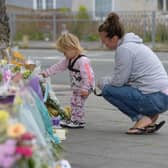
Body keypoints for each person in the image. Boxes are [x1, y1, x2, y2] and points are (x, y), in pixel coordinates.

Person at [97, 12, 168, 134]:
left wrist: (102, 82)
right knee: (114, 86)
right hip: (162, 97)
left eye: (104, 41)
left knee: (107, 90)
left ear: (114, 38)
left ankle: (143, 118)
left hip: (155, 98)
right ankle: (150, 117)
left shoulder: (124, 49)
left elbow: (118, 82)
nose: (103, 44)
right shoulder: (134, 44)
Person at [41, 33, 95, 128]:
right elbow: (58, 67)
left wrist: (86, 88)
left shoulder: (82, 60)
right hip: (77, 87)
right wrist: (46, 73)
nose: (64, 54)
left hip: (85, 87)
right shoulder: (68, 59)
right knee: (74, 101)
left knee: (78, 102)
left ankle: (78, 121)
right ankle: (75, 119)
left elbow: (88, 75)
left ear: (72, 47)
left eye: (65, 52)